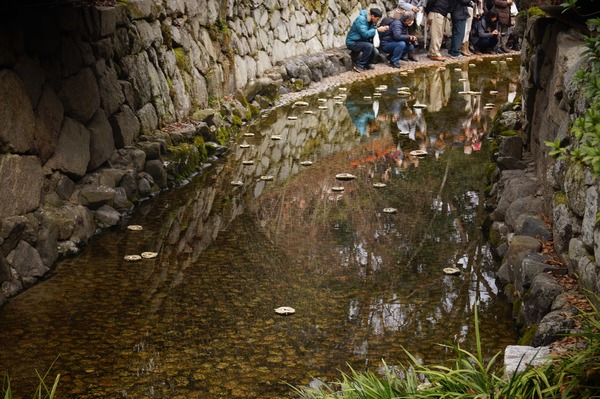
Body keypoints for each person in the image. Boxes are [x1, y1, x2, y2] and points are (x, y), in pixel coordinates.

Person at [346, 8, 390, 73]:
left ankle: (366, 64)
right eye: (377, 19)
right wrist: (377, 30)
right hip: (352, 42)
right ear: (372, 16)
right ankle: (359, 65)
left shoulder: (371, 21)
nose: (377, 21)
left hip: (362, 41)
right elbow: (365, 34)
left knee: (375, 51)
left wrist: (383, 29)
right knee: (369, 46)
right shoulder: (361, 19)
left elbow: (373, 32)